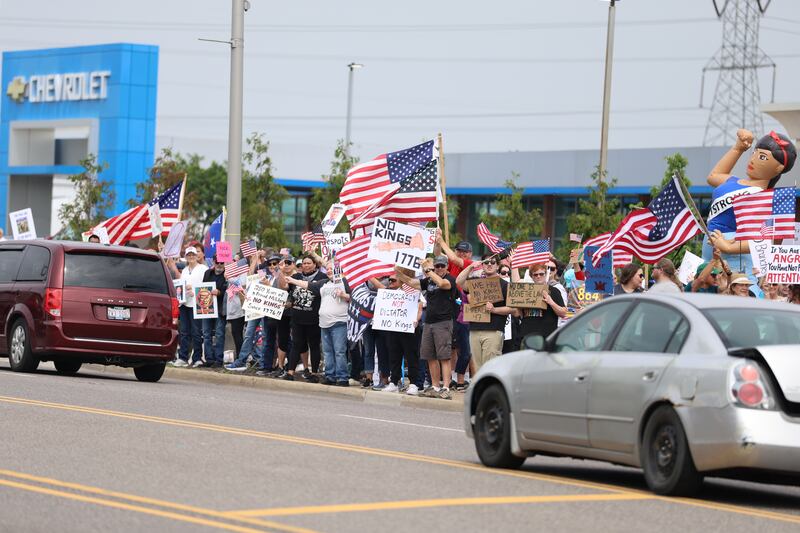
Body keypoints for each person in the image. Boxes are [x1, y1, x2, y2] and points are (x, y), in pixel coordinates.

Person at [705, 129, 797, 283]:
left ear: (778, 168)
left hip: (737, 261)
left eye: (762, 157)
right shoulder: (732, 181)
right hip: (709, 258)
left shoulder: (766, 197)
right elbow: (713, 176)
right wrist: (738, 148)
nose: (753, 160)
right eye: (754, 153)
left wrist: (727, 247)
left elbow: (764, 239)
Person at [395, 255, 458, 399]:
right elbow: (412, 282)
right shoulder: (429, 279)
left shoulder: (450, 279)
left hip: (443, 322)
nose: (440, 268)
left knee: (444, 356)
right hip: (429, 322)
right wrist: (399, 274)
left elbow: (442, 284)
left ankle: (446, 387)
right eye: (438, 266)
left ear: (447, 266)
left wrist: (428, 270)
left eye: (442, 266)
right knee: (430, 356)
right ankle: (435, 386)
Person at [285, 260, 351, 387]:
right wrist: (292, 280)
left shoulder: (344, 282)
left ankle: (343, 378)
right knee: (327, 352)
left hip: (339, 323)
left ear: (339, 270)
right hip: (324, 324)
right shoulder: (324, 283)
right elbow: (307, 284)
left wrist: (343, 294)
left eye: (333, 268)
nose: (330, 270)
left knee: (339, 351)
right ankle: (330, 376)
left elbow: (353, 297)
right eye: (328, 269)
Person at [456, 254, 513, 373]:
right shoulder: (476, 282)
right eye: (486, 262)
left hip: (494, 330)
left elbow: (514, 310)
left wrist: (494, 310)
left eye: (493, 262)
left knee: (490, 366)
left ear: (498, 266)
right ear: (482, 265)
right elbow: (459, 281)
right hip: (475, 329)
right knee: (477, 367)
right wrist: (470, 266)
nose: (489, 265)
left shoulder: (505, 285)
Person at [282, 255, 327, 382]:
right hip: (297, 319)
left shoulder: (322, 278)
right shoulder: (296, 277)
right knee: (296, 345)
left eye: (309, 263)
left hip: (314, 319)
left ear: (315, 264)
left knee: (314, 346)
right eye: (304, 263)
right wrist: (281, 272)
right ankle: (290, 372)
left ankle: (314, 374)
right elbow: (285, 288)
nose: (306, 265)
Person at [383, 275, 424, 395]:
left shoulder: (413, 290)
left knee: (411, 356)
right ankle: (394, 382)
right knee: (394, 356)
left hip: (409, 328)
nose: (391, 282)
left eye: (394, 280)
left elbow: (420, 307)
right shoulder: (390, 293)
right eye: (390, 280)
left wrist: (416, 320)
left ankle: (413, 384)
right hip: (394, 327)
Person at [511, 261, 567, 340]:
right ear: (531, 276)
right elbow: (517, 314)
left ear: (545, 274)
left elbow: (563, 313)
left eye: (541, 274)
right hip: (527, 335)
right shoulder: (525, 291)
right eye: (535, 274)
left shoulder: (554, 291)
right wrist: (517, 304)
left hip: (547, 336)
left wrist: (551, 302)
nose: (538, 276)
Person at [173, 246, 208, 367]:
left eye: (193, 254)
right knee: (184, 332)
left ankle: (197, 358)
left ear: (197, 256)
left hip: (196, 304)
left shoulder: (203, 269)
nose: (191, 257)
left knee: (196, 332)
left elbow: (207, 286)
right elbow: (180, 287)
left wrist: (194, 291)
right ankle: (183, 357)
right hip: (184, 304)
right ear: (186, 257)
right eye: (189, 255)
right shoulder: (184, 270)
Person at [200, 256, 228, 367]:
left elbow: (229, 290)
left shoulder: (227, 275)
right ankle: (209, 359)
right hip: (208, 307)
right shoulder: (207, 273)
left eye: (222, 262)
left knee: (219, 334)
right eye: (217, 262)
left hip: (220, 309)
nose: (220, 264)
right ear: (213, 262)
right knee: (206, 334)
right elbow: (202, 288)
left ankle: (218, 360)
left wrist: (220, 292)